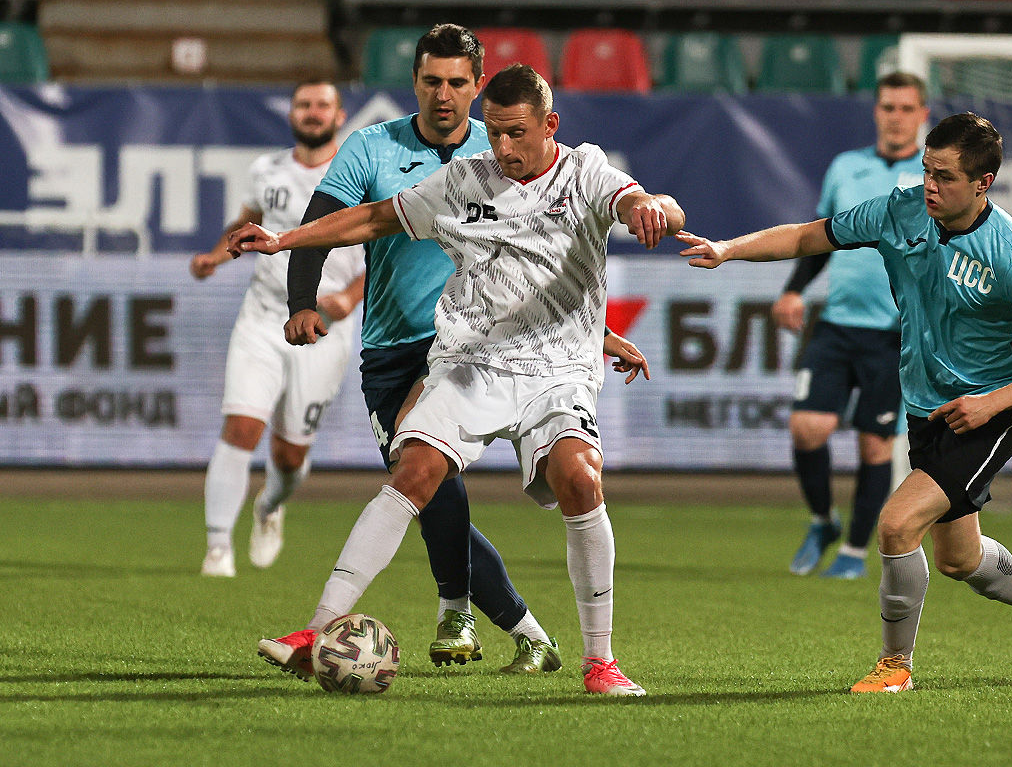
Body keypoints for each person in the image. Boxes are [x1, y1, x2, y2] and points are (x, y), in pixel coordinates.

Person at [233, 63, 682, 696]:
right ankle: (317, 631)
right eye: (493, 132)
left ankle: (599, 662)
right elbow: (373, 219)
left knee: (579, 478)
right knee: (414, 472)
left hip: (557, 369)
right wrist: (284, 242)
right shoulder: (465, 179)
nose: (502, 146)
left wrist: (654, 208)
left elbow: (644, 203)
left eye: (516, 132)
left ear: (549, 125)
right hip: (472, 359)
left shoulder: (585, 171)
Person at [676, 112, 1012, 693]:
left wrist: (991, 403)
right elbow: (806, 236)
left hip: (992, 412)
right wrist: (728, 249)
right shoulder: (900, 211)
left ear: (983, 183)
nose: (929, 186)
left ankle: (895, 667)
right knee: (959, 559)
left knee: (897, 526)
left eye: (945, 177)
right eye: (927, 171)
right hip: (926, 406)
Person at [277, 25, 613, 676]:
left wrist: (596, 334)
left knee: (427, 482)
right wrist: (301, 300)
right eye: (432, 81)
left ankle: (455, 613)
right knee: (430, 491)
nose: (444, 94)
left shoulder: (504, 150)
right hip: (393, 346)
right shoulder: (373, 147)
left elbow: (544, 268)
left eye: (458, 82)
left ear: (477, 86)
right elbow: (329, 225)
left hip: (474, 346)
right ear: (415, 82)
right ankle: (519, 629)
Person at [190, 80, 365, 578]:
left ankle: (270, 505)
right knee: (241, 426)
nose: (312, 112)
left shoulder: (361, 173)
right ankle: (218, 548)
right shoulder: (266, 170)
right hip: (264, 316)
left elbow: (383, 248)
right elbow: (246, 223)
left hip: (322, 327)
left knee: (289, 457)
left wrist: (348, 299)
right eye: (304, 104)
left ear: (340, 115)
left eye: (322, 105)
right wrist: (215, 258)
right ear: (291, 113)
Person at [774, 72, 929, 580]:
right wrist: (794, 290)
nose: (896, 117)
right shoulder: (845, 166)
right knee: (807, 428)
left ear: (922, 115)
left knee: (875, 444)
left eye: (906, 108)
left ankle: (855, 552)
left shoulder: (933, 177)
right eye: (888, 107)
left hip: (895, 334)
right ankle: (823, 521)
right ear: (876, 112)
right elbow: (822, 237)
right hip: (838, 324)